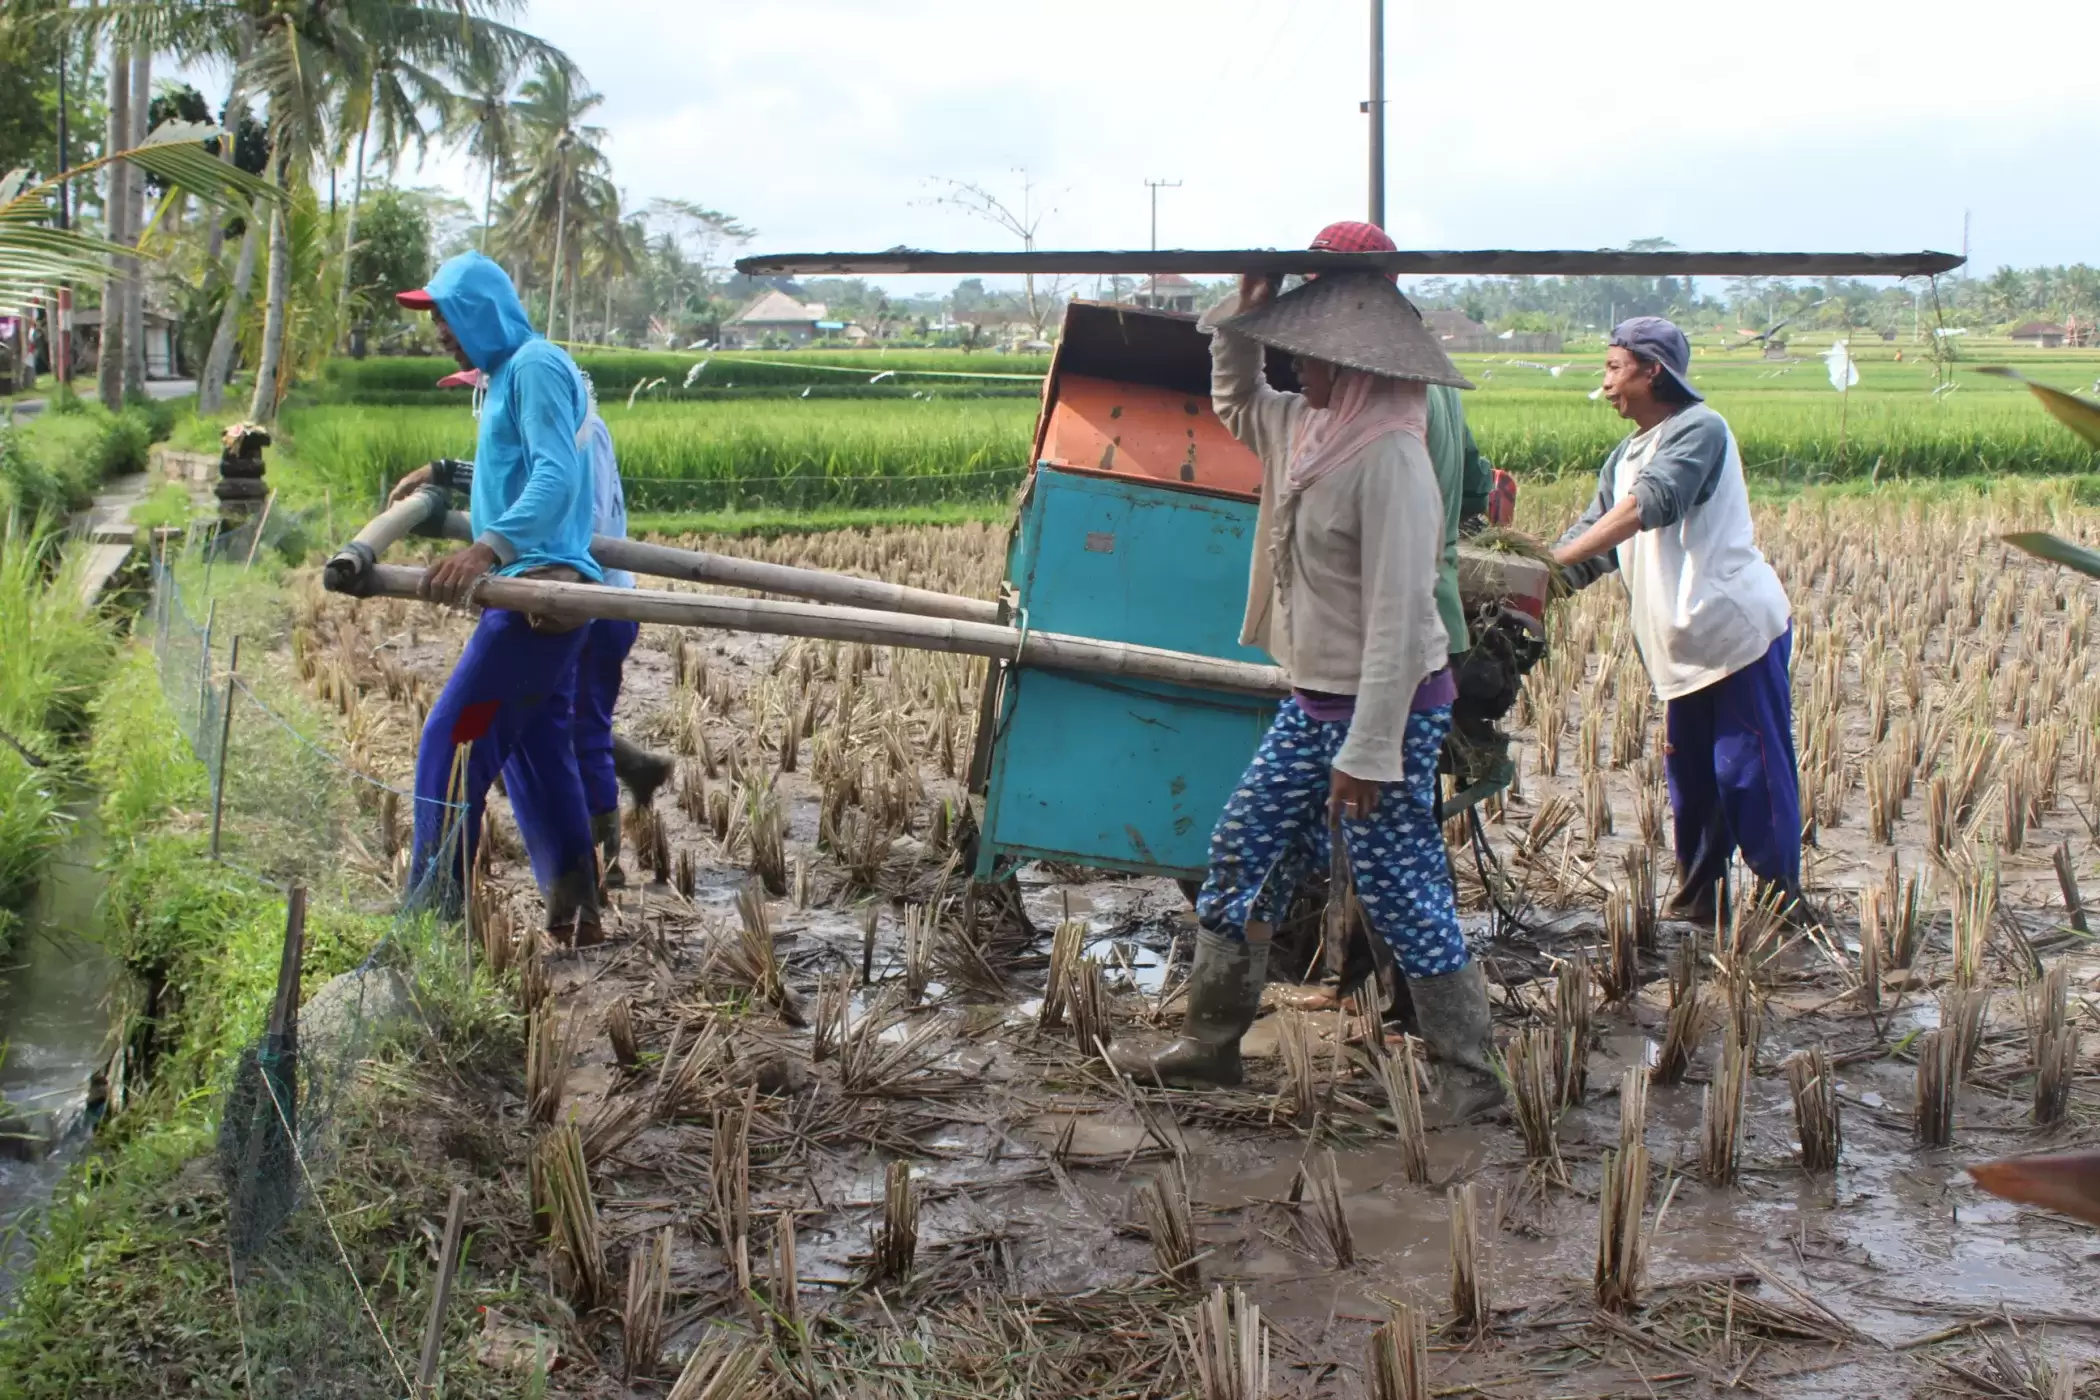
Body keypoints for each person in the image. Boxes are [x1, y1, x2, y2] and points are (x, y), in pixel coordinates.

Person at [1108, 252, 1499, 1110]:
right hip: (1314, 698)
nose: (1300, 366)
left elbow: (1402, 620)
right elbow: (1237, 400)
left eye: (1313, 353)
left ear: (1359, 364)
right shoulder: (1304, 428)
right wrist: (1246, 310)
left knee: (1399, 884)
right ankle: (1210, 1043)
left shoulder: (1392, 461)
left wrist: (1368, 750)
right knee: (1240, 851)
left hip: (1386, 712)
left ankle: (1473, 1073)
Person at [1550, 316, 1805, 926]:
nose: (1605, 383)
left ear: (1651, 369)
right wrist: (1532, 580)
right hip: (1679, 648)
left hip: (1732, 633)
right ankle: (1700, 899)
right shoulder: (1624, 455)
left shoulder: (1699, 429)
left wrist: (1555, 559)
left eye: (1614, 368)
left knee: (1748, 774)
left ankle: (1781, 906)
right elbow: (1596, 539)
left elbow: (1648, 506)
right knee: (1691, 780)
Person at [391, 251, 606, 944]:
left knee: (449, 745)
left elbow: (556, 476)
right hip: (532, 589)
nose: (441, 333)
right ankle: (579, 918)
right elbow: (512, 470)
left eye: (446, 316)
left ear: (479, 311)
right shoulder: (510, 375)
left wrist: (488, 549)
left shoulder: (537, 365)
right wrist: (447, 487)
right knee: (538, 757)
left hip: (537, 597)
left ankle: (432, 919)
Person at [413, 368, 675, 888]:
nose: (486, 404)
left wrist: (510, 545)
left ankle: (602, 865)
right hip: (581, 597)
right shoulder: (557, 430)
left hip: (591, 601)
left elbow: (571, 507)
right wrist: (447, 474)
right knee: (553, 717)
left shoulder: (584, 434)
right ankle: (630, 783)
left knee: (580, 730)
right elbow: (524, 475)